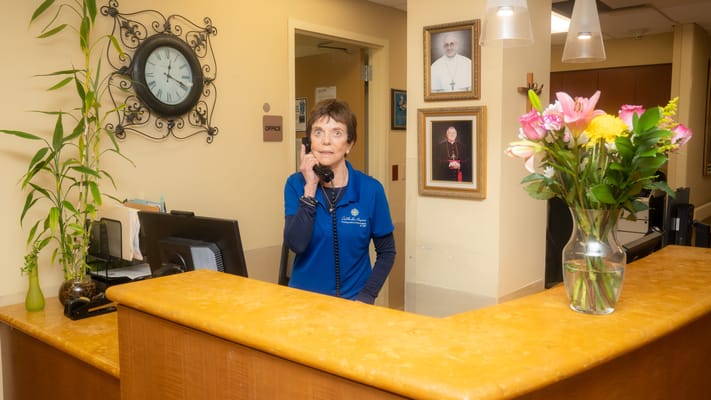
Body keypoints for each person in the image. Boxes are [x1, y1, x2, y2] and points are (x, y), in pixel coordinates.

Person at [283, 99, 396, 304]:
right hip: (302, 302)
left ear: (349, 144)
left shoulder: (371, 190)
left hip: (353, 305)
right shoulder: (295, 185)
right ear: (308, 143)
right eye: (318, 132)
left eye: (337, 133)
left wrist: (367, 296)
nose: (326, 141)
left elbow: (387, 252)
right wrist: (310, 189)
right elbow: (296, 244)